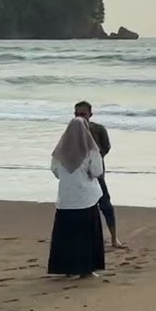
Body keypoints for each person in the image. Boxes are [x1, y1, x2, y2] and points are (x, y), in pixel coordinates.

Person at [48, 117, 106, 278]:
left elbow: (55, 171)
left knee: (67, 236)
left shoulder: (60, 151)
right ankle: (86, 269)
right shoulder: (91, 150)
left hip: (66, 199)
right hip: (86, 199)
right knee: (86, 237)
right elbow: (97, 171)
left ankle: (67, 268)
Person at [74, 101, 126, 249]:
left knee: (105, 205)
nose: (80, 117)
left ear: (90, 114)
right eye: (77, 114)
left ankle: (114, 238)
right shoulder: (72, 131)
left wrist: (94, 159)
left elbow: (106, 147)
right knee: (81, 207)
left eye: (83, 114)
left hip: (97, 174)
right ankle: (83, 238)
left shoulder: (98, 129)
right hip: (79, 174)